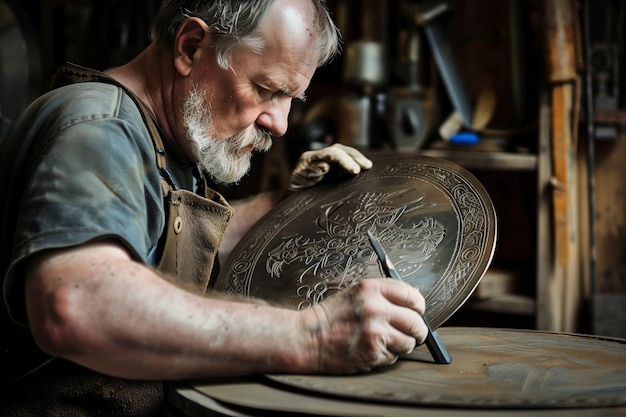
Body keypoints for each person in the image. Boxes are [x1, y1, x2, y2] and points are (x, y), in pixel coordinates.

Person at [0, 0, 428, 415]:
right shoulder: (101, 130)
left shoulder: (166, 140)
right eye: (265, 89)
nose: (279, 125)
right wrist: (313, 336)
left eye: (290, 99)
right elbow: (75, 305)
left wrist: (284, 206)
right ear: (190, 47)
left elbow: (163, 251)